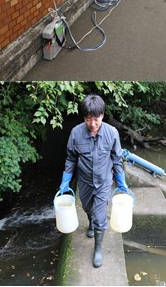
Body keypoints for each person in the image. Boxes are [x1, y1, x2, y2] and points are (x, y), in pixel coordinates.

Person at [59, 94, 128, 268]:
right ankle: (91, 223)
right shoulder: (76, 133)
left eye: (96, 119)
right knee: (88, 208)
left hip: (104, 181)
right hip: (85, 181)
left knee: (99, 216)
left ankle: (98, 248)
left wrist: (121, 182)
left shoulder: (112, 133)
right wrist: (65, 181)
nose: (92, 124)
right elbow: (71, 158)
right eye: (88, 119)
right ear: (84, 118)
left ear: (102, 115)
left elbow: (116, 159)